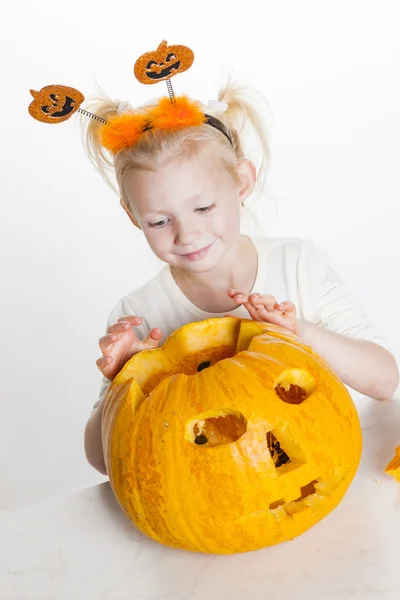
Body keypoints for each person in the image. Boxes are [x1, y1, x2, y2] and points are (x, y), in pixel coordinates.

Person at [82, 82, 399, 475]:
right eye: (159, 221)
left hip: (324, 465)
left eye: (203, 207)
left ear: (242, 183)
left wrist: (297, 331)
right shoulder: (140, 313)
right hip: (213, 487)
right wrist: (125, 377)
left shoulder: (296, 265)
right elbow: (102, 462)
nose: (187, 234)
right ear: (133, 217)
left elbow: (385, 381)